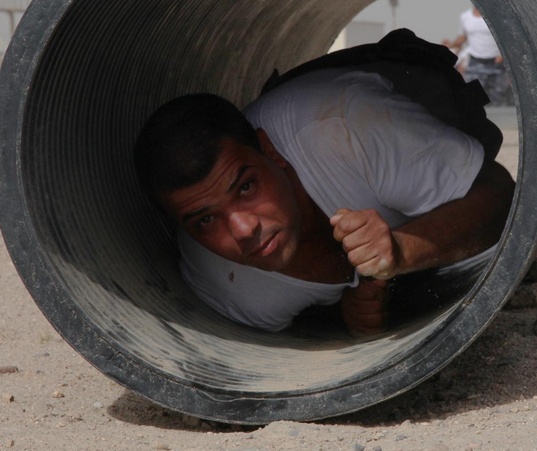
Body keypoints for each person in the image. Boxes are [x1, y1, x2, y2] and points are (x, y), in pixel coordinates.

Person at [133, 36, 515, 337]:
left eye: (246, 188)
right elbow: (299, 347)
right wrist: (346, 314)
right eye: (204, 221)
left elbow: (500, 194)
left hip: (413, 101)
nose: (243, 230)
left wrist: (402, 248)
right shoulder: (225, 289)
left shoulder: (343, 130)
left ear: (271, 152)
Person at [444, 6, 511, 106]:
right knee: (473, 95)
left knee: (498, 97)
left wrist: (503, 55)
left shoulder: (496, 16)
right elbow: (463, 37)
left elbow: (507, 37)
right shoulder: (465, 17)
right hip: (476, 61)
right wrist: (451, 45)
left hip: (496, 62)